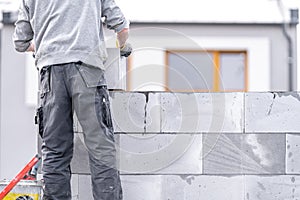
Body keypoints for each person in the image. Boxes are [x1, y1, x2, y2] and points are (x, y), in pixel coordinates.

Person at [13, 0, 131, 199]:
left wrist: (48, 47)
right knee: (101, 149)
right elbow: (121, 25)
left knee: (55, 151)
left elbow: (20, 42)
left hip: (51, 76)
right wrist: (123, 45)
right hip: (88, 71)